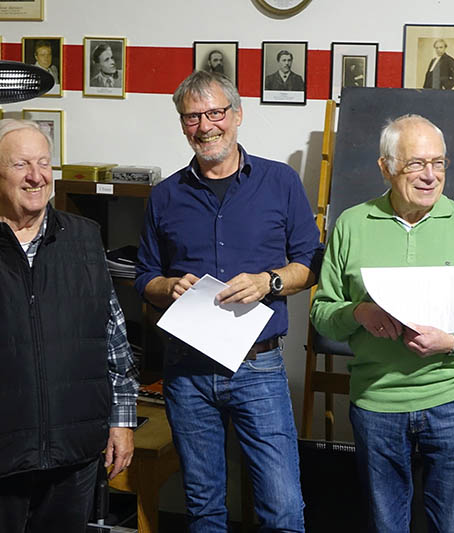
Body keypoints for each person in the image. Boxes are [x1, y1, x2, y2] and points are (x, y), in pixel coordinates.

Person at [0, 119, 139, 532]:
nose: (37, 176)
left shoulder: (86, 240)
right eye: (21, 164)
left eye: (44, 163)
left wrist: (122, 421)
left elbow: (115, 346)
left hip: (71, 458)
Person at [310, 114, 454, 532]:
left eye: (438, 163)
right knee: (386, 525)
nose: (430, 176)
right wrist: (358, 313)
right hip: (377, 403)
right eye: (415, 165)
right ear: (385, 167)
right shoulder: (351, 224)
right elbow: (321, 313)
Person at [135, 70, 323, 531]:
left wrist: (268, 282)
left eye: (215, 113)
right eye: (192, 117)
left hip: (257, 366)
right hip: (186, 369)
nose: (205, 126)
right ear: (183, 125)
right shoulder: (164, 196)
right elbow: (144, 276)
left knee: (282, 509)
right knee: (203, 508)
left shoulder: (280, 182)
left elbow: (310, 262)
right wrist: (167, 288)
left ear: (237, 116)